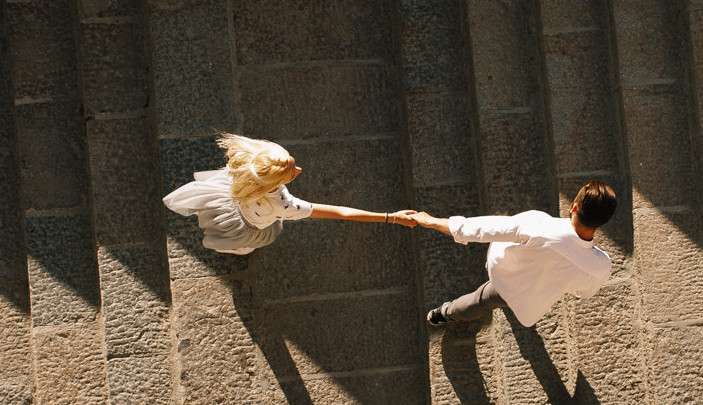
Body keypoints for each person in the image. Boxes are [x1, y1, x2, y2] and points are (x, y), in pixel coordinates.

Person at [410, 181, 617, 332]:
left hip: (505, 277)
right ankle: (445, 314)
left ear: (574, 206)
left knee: (480, 300)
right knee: (487, 301)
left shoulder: (539, 225)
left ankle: (446, 313)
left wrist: (430, 221)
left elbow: (478, 228)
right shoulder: (601, 266)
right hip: (532, 297)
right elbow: (585, 292)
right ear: (603, 223)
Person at [162, 132, 413, 255]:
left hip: (231, 202)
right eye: (291, 174)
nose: (299, 170)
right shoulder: (283, 207)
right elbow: (341, 213)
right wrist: (391, 217)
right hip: (250, 225)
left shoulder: (247, 166)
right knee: (248, 244)